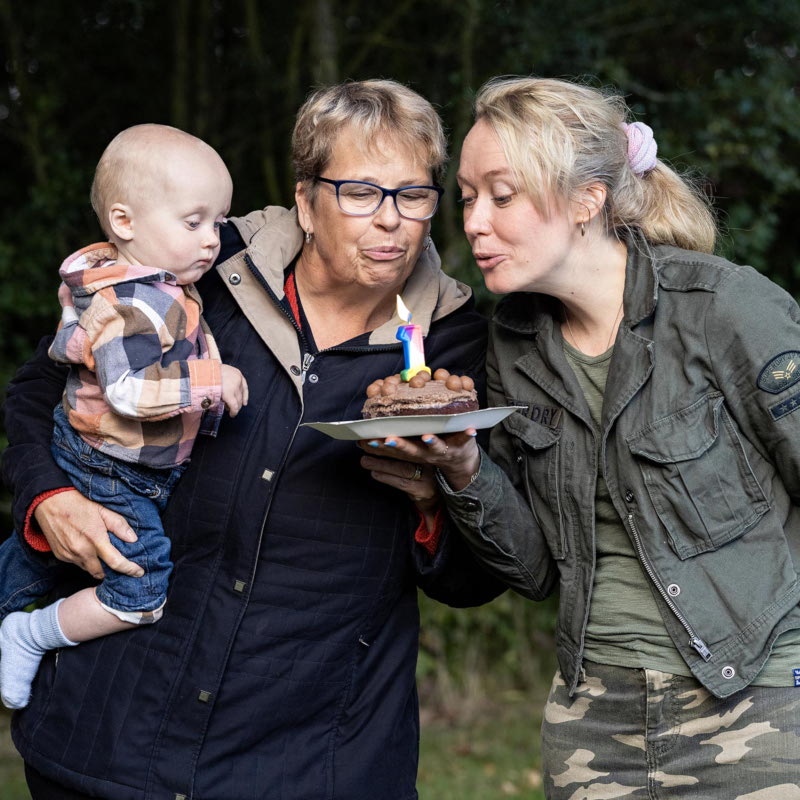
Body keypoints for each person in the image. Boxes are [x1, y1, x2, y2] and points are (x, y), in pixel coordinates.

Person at [1, 80, 503, 799]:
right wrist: (48, 498)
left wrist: (438, 495)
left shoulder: (454, 345)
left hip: (312, 762)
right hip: (111, 735)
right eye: (361, 191)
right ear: (305, 198)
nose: (392, 220)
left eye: (414, 194)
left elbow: (476, 577)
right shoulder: (204, 268)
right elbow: (37, 393)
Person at [361, 76, 800, 797]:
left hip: (758, 705)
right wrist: (465, 468)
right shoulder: (514, 347)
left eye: (502, 196)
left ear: (586, 200)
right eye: (468, 198)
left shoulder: (724, 309)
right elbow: (535, 571)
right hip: (593, 722)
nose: (473, 223)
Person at [0, 124, 249, 712]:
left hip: (112, 458)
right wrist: (214, 382)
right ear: (124, 222)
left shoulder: (149, 280)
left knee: (33, 557)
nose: (213, 240)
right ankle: (30, 634)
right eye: (194, 223)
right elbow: (130, 391)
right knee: (141, 587)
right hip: (110, 466)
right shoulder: (136, 304)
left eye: (218, 222)